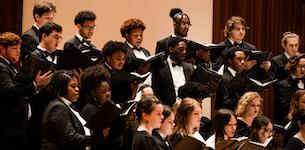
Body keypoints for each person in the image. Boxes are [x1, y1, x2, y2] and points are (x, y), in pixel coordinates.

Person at [0, 32, 52, 149]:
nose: (18, 52)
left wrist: (37, 87)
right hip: (9, 128)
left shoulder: (10, 66)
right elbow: (10, 90)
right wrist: (35, 84)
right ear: (2, 48)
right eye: (14, 48)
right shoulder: (1, 67)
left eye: (19, 48)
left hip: (19, 126)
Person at [21, 22, 63, 150]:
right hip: (38, 112)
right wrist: (37, 85)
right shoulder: (32, 57)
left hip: (53, 110)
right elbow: (22, 88)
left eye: (60, 38)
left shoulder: (59, 57)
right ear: (44, 36)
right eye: (55, 37)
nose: (58, 41)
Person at [41, 70, 91, 150]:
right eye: (73, 86)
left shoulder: (65, 105)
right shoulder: (58, 107)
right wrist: (94, 139)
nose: (77, 89)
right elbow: (69, 138)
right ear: (62, 88)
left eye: (77, 86)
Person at [154, 37, 194, 107]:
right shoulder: (160, 68)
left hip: (187, 109)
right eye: (181, 49)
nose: (184, 52)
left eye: (185, 49)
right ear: (171, 49)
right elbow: (157, 92)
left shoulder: (190, 68)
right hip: (167, 109)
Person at [274, 54, 305, 125]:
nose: (303, 69)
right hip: (290, 121)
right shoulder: (282, 85)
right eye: (301, 66)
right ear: (293, 67)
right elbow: (283, 108)